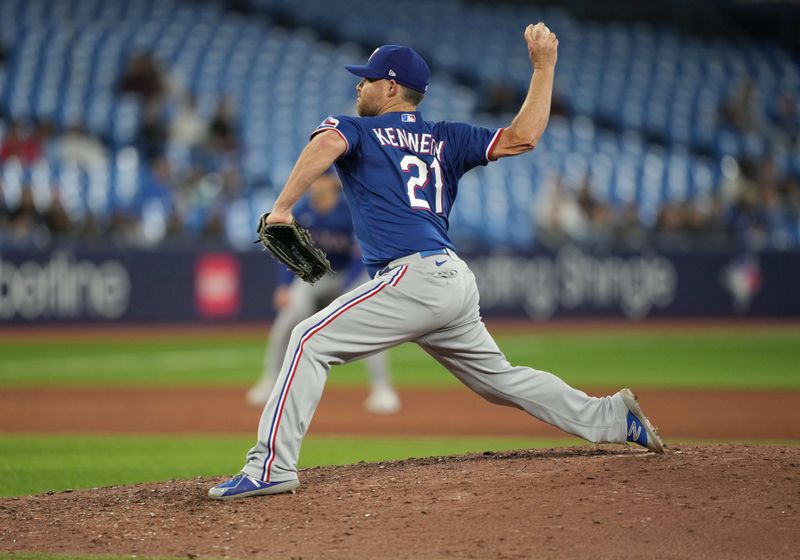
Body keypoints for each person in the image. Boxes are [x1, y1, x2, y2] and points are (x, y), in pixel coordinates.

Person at [209, 23, 664, 500]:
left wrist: (281, 208)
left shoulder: (357, 128)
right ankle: (612, 417)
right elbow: (524, 137)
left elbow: (325, 145)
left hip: (412, 277)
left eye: (366, 78)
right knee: (499, 380)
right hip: (452, 278)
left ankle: (271, 468)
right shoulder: (447, 137)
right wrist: (544, 67)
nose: (358, 85)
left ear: (390, 87)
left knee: (306, 339)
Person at [246, 168, 401, 414]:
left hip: (352, 275)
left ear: (332, 182)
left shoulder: (349, 211)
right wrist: (284, 288)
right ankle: (269, 381)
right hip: (317, 276)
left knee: (368, 324)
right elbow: (289, 252)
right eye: (313, 178)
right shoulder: (301, 210)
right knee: (288, 318)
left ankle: (383, 389)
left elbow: (359, 257)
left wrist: (349, 292)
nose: (315, 183)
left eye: (321, 177)